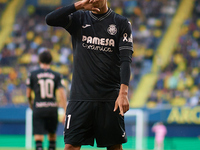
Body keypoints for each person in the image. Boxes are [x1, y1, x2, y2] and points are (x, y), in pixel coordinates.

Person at [45, 0, 133, 150]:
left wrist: (123, 93)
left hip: (109, 99)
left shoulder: (121, 23)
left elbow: (126, 60)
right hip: (80, 98)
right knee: (70, 146)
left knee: (114, 147)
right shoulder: (79, 18)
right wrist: (78, 6)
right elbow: (50, 19)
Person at [26, 50, 67, 150]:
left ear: (39, 61)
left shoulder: (32, 74)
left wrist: (31, 105)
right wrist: (65, 110)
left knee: (38, 137)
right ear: (51, 61)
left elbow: (28, 94)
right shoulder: (57, 75)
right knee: (52, 135)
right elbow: (62, 94)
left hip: (38, 108)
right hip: (52, 109)